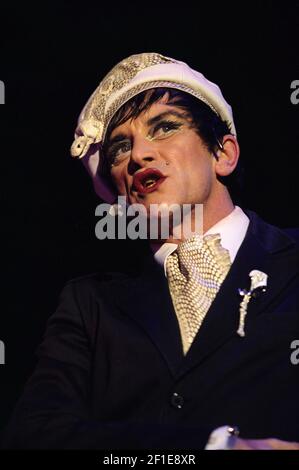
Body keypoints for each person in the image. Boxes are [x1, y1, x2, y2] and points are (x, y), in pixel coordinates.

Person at [2, 52, 299, 450]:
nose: (139, 154)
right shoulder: (92, 305)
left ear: (224, 154)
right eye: (119, 149)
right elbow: (35, 436)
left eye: (164, 128)